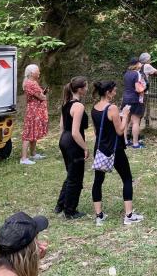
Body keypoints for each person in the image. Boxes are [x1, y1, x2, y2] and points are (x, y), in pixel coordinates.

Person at [91, 81, 144, 226]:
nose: (115, 93)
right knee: (127, 178)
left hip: (100, 149)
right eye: (114, 91)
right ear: (108, 92)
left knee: (98, 181)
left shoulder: (94, 108)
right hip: (115, 149)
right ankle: (129, 215)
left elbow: (97, 131)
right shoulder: (112, 108)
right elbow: (120, 130)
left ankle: (99, 215)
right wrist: (125, 115)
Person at [55, 76, 89, 219]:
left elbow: (62, 126)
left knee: (71, 174)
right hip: (73, 142)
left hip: (64, 140)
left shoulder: (66, 103)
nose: (87, 89)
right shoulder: (78, 106)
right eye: (86, 86)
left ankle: (61, 205)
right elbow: (76, 132)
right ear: (80, 89)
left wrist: (63, 140)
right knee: (76, 178)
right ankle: (70, 211)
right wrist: (86, 147)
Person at [20, 64, 49, 165]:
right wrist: (43, 95)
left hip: (35, 110)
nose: (39, 73)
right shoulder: (30, 84)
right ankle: (23, 158)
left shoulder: (33, 82)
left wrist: (43, 93)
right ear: (32, 73)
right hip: (33, 111)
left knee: (34, 131)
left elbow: (40, 95)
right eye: (38, 71)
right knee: (28, 133)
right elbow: (41, 97)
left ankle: (33, 153)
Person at [121, 58, 147, 149]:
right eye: (139, 62)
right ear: (136, 64)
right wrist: (144, 87)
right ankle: (135, 144)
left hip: (125, 99)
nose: (141, 64)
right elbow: (138, 89)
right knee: (135, 121)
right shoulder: (137, 74)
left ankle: (124, 141)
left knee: (126, 120)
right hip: (135, 100)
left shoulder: (126, 73)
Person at [139, 52, 157, 128]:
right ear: (147, 60)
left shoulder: (138, 65)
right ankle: (135, 134)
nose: (150, 60)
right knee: (140, 113)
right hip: (144, 92)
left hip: (137, 91)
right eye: (149, 58)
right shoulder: (147, 65)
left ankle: (129, 133)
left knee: (135, 113)